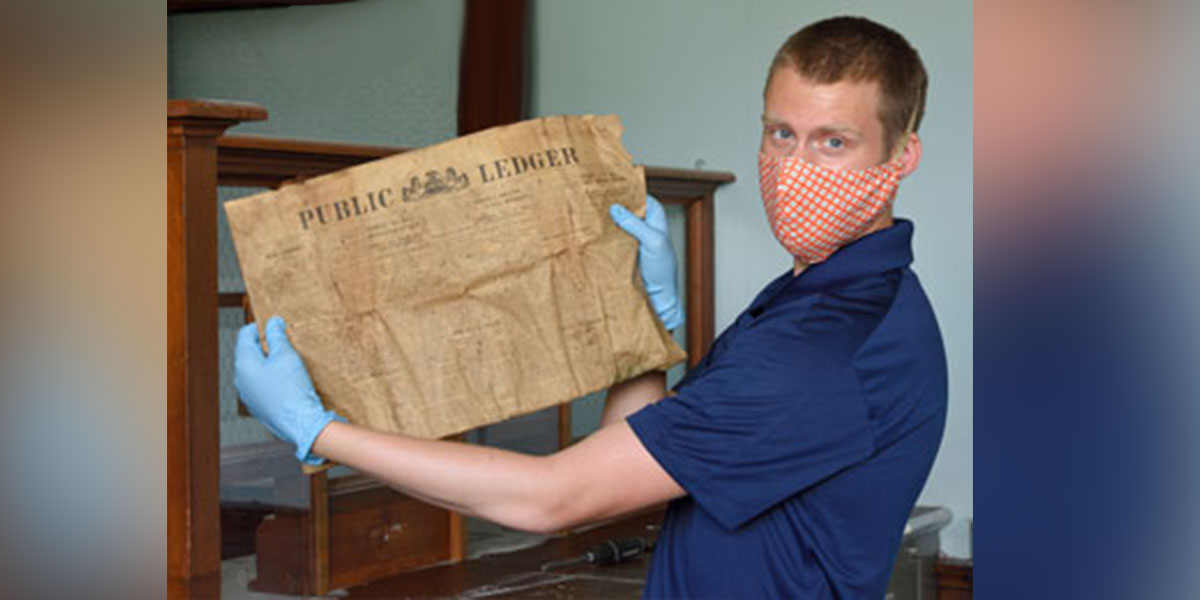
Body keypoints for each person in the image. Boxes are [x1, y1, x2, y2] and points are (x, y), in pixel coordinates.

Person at [236, 16, 946, 599]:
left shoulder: (826, 347)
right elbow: (638, 451)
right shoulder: (821, 295)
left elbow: (551, 498)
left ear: (903, 154)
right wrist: (639, 318)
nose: (795, 170)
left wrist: (318, 431)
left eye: (834, 143)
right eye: (780, 134)